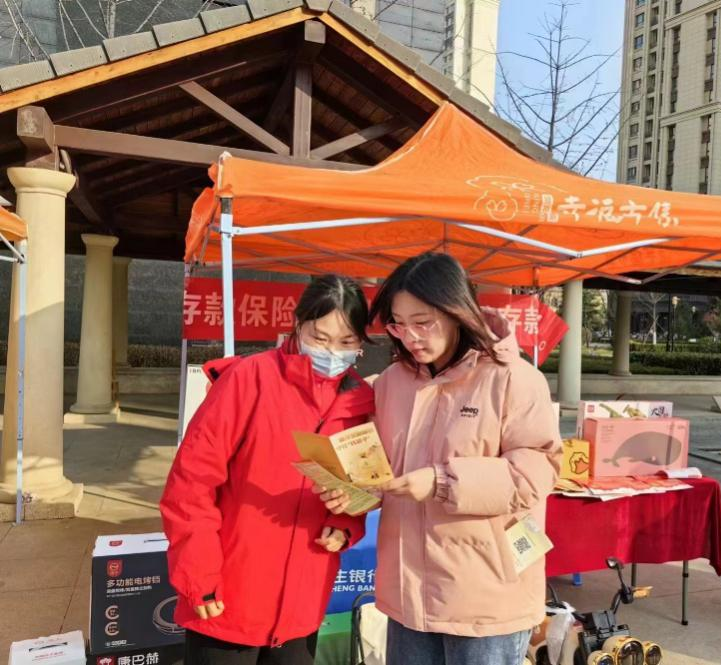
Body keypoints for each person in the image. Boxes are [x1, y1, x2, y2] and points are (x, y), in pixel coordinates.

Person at [318, 253, 562, 665]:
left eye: (423, 322)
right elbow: (381, 470)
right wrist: (353, 492)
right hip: (408, 593)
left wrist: (441, 482)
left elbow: (535, 472)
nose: (410, 336)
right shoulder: (392, 383)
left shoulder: (511, 378)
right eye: (398, 324)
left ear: (456, 311)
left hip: (486, 595)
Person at [160, 274, 375, 665]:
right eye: (320, 337)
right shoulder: (249, 379)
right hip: (228, 595)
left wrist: (343, 524)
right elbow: (190, 484)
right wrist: (198, 574)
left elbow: (361, 488)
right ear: (297, 325)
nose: (332, 352)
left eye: (347, 342)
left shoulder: (360, 401)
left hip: (302, 600)